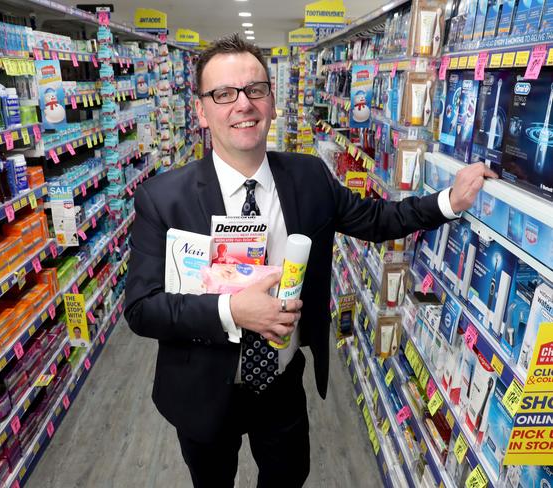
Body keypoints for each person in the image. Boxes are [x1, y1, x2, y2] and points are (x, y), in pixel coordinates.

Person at [125, 34, 495, 488]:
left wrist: (450, 201)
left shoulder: (308, 175)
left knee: (288, 476)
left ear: (273, 103)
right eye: (223, 94)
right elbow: (143, 308)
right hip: (201, 387)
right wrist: (231, 311)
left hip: (279, 382)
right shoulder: (163, 199)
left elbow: (377, 219)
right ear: (201, 111)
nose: (242, 104)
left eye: (254, 90)